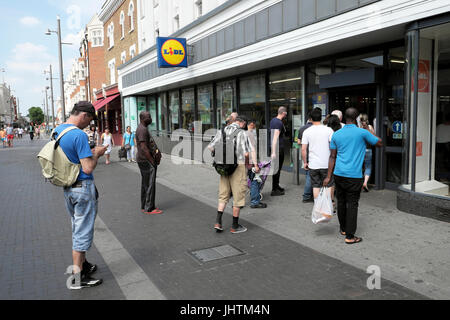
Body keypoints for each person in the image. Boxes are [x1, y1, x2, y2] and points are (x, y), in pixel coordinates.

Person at [53, 101, 107, 289]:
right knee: (82, 231)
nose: (89, 124)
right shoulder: (78, 135)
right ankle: (77, 277)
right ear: (84, 115)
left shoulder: (58, 130)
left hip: (68, 186)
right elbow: (88, 167)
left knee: (77, 225)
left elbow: (72, 157)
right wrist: (98, 153)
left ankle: (83, 266)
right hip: (82, 186)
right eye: (90, 120)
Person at [323, 108, 382, 245]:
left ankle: (343, 229)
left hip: (338, 174)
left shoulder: (336, 134)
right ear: (356, 118)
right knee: (352, 204)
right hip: (354, 176)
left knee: (342, 202)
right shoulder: (361, 132)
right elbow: (379, 142)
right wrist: (367, 128)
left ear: (345, 118)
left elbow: (332, 156)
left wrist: (328, 176)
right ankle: (350, 236)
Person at [209, 115, 250, 233]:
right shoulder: (242, 133)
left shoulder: (221, 131)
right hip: (238, 166)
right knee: (238, 196)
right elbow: (246, 154)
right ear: (242, 123)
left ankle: (218, 222)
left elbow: (211, 148)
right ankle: (235, 226)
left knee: (223, 195)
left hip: (223, 167)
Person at [301, 108, 335, 202]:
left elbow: (303, 149)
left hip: (313, 164)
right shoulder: (329, 130)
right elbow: (333, 146)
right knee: (329, 185)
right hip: (326, 164)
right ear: (321, 118)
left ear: (310, 119)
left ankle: (318, 206)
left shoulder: (307, 131)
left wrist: (305, 162)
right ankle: (328, 206)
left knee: (315, 186)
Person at [136, 112, 162, 215]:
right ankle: (149, 208)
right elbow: (143, 147)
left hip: (143, 160)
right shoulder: (142, 130)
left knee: (146, 183)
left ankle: (144, 205)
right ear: (143, 118)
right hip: (146, 160)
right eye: (149, 117)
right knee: (150, 184)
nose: (150, 118)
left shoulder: (142, 128)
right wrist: (152, 161)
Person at [246, 119, 266, 208]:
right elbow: (252, 151)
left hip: (242, 162)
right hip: (250, 162)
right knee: (254, 180)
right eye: (254, 126)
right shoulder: (250, 135)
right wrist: (255, 165)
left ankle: (237, 203)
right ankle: (255, 202)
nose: (255, 128)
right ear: (251, 125)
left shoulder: (242, 134)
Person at [270, 106, 288, 196]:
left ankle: (276, 186)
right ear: (283, 113)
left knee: (276, 169)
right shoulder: (278, 123)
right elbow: (275, 138)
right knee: (277, 169)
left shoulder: (273, 120)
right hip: (278, 149)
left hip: (276, 149)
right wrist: (273, 152)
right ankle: (274, 190)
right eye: (286, 113)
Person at [297, 114, 313, 203]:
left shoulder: (302, 128)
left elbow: (299, 142)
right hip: (314, 155)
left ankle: (307, 195)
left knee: (309, 176)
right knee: (312, 177)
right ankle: (307, 196)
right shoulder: (316, 129)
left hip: (306, 154)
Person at [359, 114, 375, 192]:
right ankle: (365, 183)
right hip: (368, 150)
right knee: (368, 166)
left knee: (360, 166)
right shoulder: (370, 127)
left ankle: (359, 183)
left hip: (361, 150)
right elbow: (374, 138)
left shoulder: (359, 129)